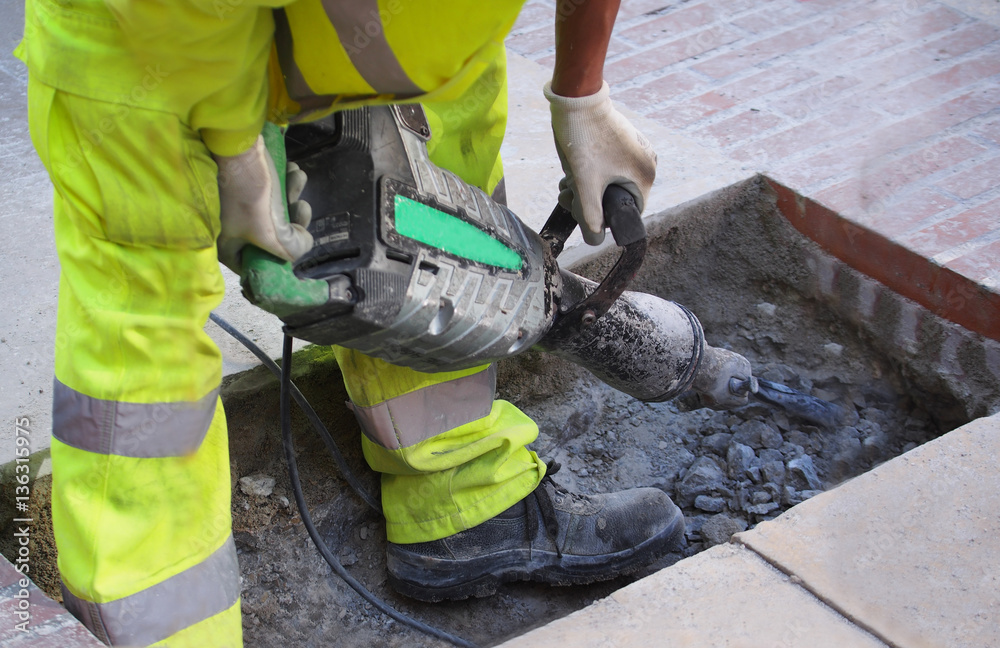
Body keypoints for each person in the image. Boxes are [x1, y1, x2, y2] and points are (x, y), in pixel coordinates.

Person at [16, 0, 683, 644]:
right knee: (143, 338)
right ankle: (168, 632)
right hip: (153, 41)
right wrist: (235, 142)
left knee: (437, 172)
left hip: (351, 36)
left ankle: (459, 494)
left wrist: (581, 95)